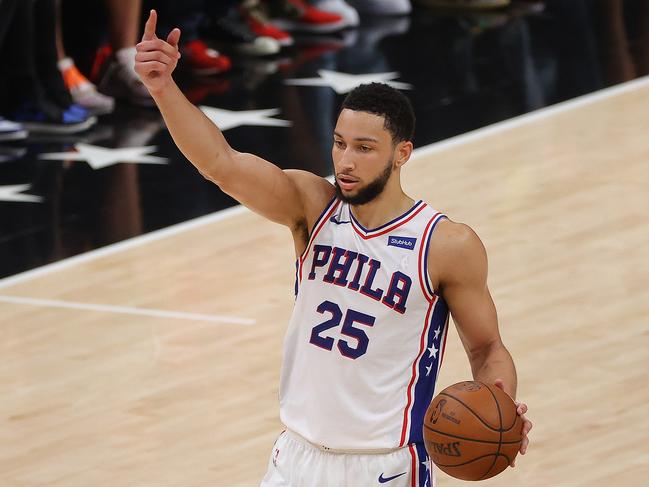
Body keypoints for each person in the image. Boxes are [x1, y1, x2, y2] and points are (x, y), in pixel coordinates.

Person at [135, 10, 532, 486]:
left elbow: (486, 346)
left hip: (383, 465)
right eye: (340, 143)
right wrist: (163, 88)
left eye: (364, 148)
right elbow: (221, 164)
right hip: (294, 457)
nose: (345, 160)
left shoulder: (445, 244)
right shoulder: (312, 206)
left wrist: (500, 403)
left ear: (401, 153)